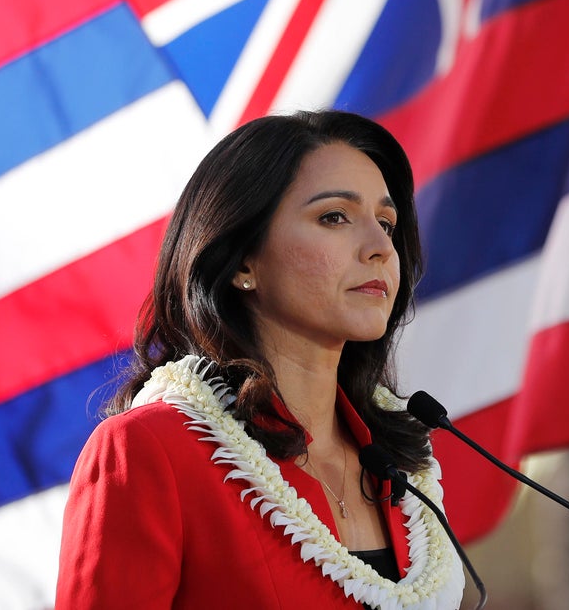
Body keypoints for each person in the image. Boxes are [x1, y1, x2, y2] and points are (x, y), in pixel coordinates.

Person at [55, 110, 464, 610]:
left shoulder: (400, 463)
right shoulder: (148, 450)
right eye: (334, 216)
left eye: (386, 222)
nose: (381, 247)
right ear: (243, 259)